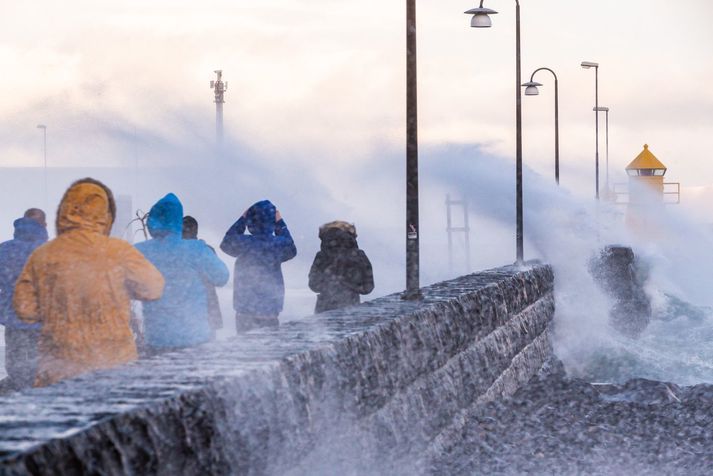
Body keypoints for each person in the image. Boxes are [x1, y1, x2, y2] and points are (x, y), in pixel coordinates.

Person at [13, 178, 165, 387]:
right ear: (104, 215)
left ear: (65, 212)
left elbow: (25, 309)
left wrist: (59, 309)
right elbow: (153, 287)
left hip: (60, 366)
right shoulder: (118, 252)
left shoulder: (42, 255)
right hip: (113, 365)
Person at [136, 194, 229, 355]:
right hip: (195, 338)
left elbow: (124, 285)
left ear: (152, 220)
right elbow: (222, 277)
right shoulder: (196, 250)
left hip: (158, 339)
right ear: (177, 221)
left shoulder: (139, 251)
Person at [220, 200, 296, 332]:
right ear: (271, 222)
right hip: (270, 311)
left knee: (245, 350)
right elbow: (291, 248)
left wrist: (242, 219)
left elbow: (226, 243)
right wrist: (280, 223)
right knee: (270, 350)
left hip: (245, 310)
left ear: (251, 221)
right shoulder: (277, 244)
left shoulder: (244, 243)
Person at [0, 209, 48, 391]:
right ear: (43, 225)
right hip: (44, 320)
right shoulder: (50, 252)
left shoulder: (4, 250)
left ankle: (16, 397)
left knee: (15, 364)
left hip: (13, 318)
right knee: (42, 364)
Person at [308, 221, 374, 313]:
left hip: (323, 309)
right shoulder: (359, 255)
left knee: (323, 327)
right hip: (351, 307)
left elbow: (313, 285)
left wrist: (329, 286)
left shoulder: (321, 256)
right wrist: (349, 286)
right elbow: (368, 288)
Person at [182, 215, 224, 335]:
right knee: (209, 349)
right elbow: (219, 278)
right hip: (208, 308)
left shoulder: (175, 253)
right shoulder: (207, 250)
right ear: (196, 231)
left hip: (184, 311)